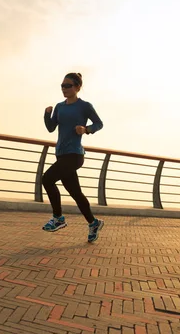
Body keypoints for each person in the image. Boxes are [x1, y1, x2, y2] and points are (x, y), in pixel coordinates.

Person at [42, 72, 105, 243]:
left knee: (46, 179)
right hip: (61, 154)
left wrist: (86, 129)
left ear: (77, 87)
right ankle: (93, 223)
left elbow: (99, 124)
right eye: (62, 86)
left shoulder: (84, 106)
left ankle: (58, 218)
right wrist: (47, 114)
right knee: (75, 193)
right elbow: (50, 128)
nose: (64, 89)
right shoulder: (60, 107)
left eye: (68, 85)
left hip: (75, 154)